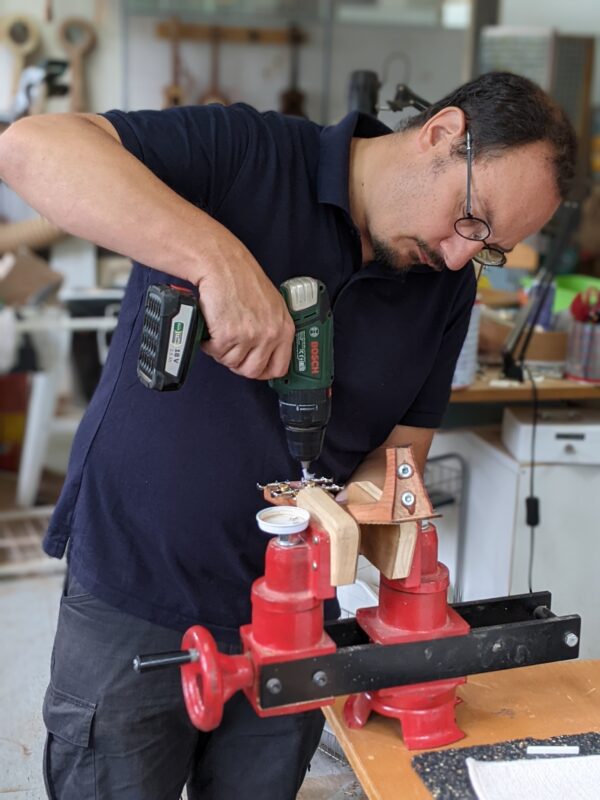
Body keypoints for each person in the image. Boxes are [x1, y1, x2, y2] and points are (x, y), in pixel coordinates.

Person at [0, 71, 575, 799]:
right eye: (472, 218)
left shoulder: (444, 285)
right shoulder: (247, 154)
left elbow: (400, 454)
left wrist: (360, 506)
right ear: (441, 135)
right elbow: (29, 148)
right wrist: (216, 258)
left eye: (490, 248)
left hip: (299, 619)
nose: (462, 256)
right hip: (135, 586)